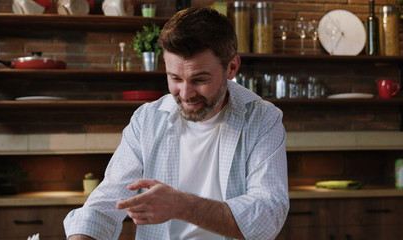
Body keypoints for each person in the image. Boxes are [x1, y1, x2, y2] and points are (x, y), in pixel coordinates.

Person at [64, 7, 289, 240]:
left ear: (232, 67)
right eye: (175, 78)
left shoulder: (263, 119)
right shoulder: (147, 120)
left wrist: (181, 206)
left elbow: (268, 213)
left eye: (199, 80)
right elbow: (106, 202)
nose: (186, 93)